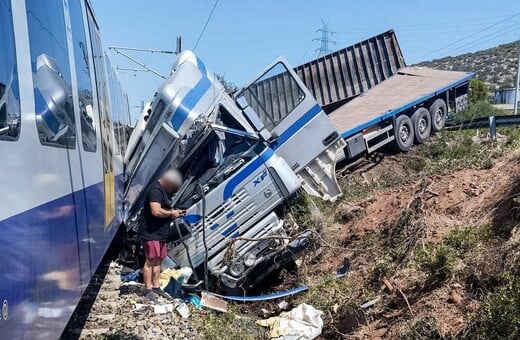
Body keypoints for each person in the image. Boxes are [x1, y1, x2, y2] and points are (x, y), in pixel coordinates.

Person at [139, 169, 185, 301]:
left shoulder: (164, 191)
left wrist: (174, 214)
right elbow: (156, 211)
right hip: (151, 233)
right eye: (172, 186)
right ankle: (148, 289)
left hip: (160, 233)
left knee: (159, 260)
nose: (172, 189)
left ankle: (156, 286)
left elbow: (162, 212)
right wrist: (171, 213)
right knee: (150, 261)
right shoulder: (156, 191)